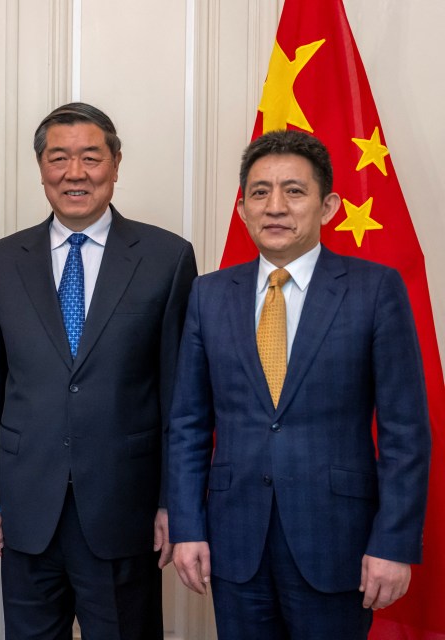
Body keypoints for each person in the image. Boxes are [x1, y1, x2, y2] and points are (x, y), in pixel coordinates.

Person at [169, 129, 431, 638]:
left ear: (328, 205)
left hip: (339, 541)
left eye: (294, 190)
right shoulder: (209, 295)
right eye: (260, 192)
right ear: (243, 207)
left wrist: (394, 543)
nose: (276, 206)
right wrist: (187, 527)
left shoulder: (375, 289)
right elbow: (187, 425)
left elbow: (406, 433)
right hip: (234, 541)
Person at [0, 102, 198, 639]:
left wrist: (174, 502)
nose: (75, 173)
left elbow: (180, 397)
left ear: (116, 164)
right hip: (27, 510)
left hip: (126, 507)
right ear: (41, 168)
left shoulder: (167, 258)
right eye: (59, 159)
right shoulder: (0, 263)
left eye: (91, 158)